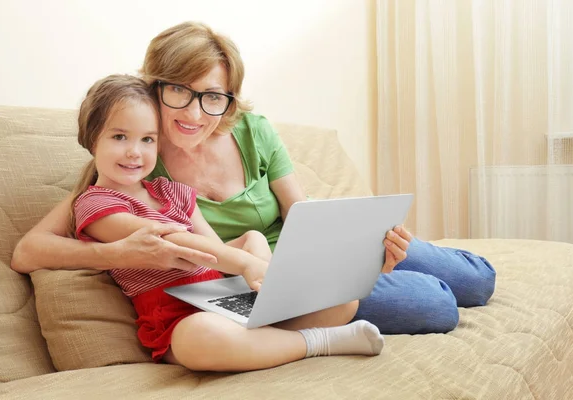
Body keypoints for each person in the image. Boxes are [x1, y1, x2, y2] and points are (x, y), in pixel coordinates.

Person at [11, 21, 495, 337]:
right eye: (179, 90)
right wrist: (115, 253)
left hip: (305, 255)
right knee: (436, 305)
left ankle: (387, 261)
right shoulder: (136, 160)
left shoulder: (251, 131)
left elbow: (302, 213)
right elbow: (29, 249)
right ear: (153, 87)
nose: (195, 113)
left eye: (213, 96)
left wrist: (359, 255)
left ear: (230, 99)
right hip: (265, 285)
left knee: (477, 281)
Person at [64, 73, 385, 371]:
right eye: (120, 137)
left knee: (342, 299)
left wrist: (256, 265)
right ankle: (316, 342)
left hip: (223, 296)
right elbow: (174, 241)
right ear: (91, 139)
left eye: (148, 139)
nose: (135, 152)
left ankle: (269, 313)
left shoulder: (171, 191)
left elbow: (214, 250)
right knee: (199, 338)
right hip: (177, 316)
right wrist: (245, 263)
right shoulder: (95, 204)